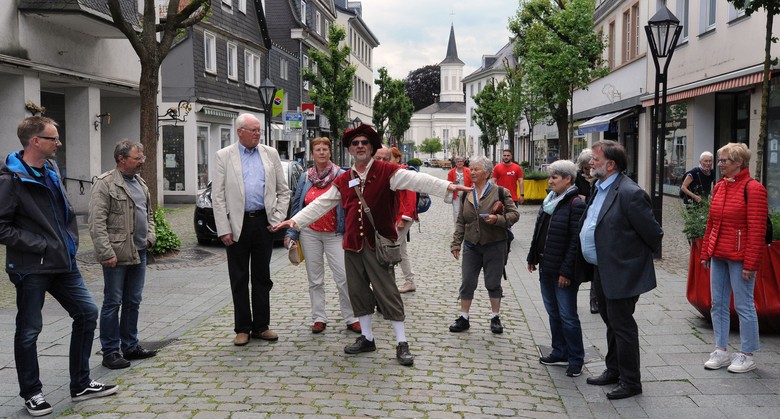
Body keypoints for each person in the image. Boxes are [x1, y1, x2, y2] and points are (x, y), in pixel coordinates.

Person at [272, 124, 471, 366]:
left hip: (379, 244)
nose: (360, 147)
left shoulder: (388, 171)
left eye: (364, 143)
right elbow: (321, 204)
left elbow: (417, 180)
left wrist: (447, 187)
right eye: (355, 144)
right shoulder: (344, 178)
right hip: (352, 244)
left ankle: (401, 342)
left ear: (372, 147)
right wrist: (295, 220)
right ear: (349, 150)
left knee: (387, 292)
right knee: (358, 291)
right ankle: (367, 338)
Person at [0, 116, 118, 416]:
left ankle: (80, 384)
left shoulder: (51, 170)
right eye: (53, 138)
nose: (59, 143)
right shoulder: (9, 179)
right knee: (29, 331)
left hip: (63, 262)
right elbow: (1, 227)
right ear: (35, 141)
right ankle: (33, 393)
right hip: (31, 267)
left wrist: (69, 241)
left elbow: (63, 212)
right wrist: (39, 244)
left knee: (87, 313)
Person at [579, 140, 663, 400]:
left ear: (610, 164)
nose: (590, 163)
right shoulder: (599, 188)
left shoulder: (630, 192)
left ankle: (631, 382)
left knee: (623, 326)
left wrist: (628, 260)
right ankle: (613, 369)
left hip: (621, 271)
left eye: (594, 159)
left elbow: (654, 234)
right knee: (610, 321)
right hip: (601, 269)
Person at [212, 113, 291, 346]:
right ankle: (242, 328)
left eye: (259, 130)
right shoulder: (224, 156)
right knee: (238, 277)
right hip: (238, 224)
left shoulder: (270, 154)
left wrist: (277, 218)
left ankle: (261, 326)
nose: (258, 134)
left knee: (262, 277)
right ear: (240, 132)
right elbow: (218, 196)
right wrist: (223, 228)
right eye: (253, 130)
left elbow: (283, 191)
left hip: (263, 223)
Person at [89, 140, 158, 370]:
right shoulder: (105, 183)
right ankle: (110, 351)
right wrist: (106, 252)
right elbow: (96, 223)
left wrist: (150, 237)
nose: (142, 162)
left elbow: (149, 215)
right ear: (121, 158)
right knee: (112, 302)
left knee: (133, 301)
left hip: (139, 251)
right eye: (137, 158)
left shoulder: (140, 183)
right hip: (116, 255)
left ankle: (130, 345)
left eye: (142, 158)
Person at [700, 143, 767, 373]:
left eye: (724, 161)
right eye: (719, 160)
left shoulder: (754, 188)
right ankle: (721, 350)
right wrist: (705, 252)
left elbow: (757, 230)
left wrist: (751, 264)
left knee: (743, 305)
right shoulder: (719, 187)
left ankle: (747, 354)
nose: (720, 164)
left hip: (740, 259)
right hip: (718, 254)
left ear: (739, 162)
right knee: (717, 304)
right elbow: (712, 222)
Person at [284, 137, 360, 334]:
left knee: (343, 277)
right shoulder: (305, 177)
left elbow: (352, 204)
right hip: (310, 233)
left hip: (335, 233)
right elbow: (297, 205)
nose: (322, 153)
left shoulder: (342, 175)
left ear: (330, 152)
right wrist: (292, 232)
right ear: (312, 153)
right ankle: (319, 318)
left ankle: (351, 317)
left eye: (325, 149)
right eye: (317, 149)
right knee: (315, 279)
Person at [527, 160, 586, 378]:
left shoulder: (575, 204)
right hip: (546, 266)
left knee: (568, 315)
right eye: (550, 176)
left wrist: (566, 272)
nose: (550, 181)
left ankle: (576, 358)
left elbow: (575, 242)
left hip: (562, 271)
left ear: (568, 179)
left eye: (554, 177)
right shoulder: (550, 200)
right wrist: (532, 256)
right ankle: (559, 351)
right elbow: (539, 231)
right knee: (553, 312)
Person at [449, 156, 519, 335]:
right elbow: (461, 221)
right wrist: (456, 242)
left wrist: (498, 219)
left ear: (487, 173)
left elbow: (514, 214)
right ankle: (464, 317)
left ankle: (495, 317)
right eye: (471, 169)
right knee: (467, 282)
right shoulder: (467, 193)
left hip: (495, 244)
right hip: (472, 245)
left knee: (493, 282)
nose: (472, 172)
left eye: (476, 169)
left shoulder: (500, 192)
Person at [389, 146, 418, 293]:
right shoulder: (392, 173)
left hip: (403, 216)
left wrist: (404, 219)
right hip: (395, 216)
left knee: (392, 248)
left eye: (390, 158)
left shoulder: (404, 174)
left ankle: (388, 281)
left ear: (398, 158)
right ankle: (409, 280)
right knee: (401, 250)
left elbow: (410, 198)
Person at [574, 148, 599, 314]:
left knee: (596, 267)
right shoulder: (577, 177)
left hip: (595, 226)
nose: (586, 171)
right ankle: (570, 298)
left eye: (588, 168)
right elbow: (575, 196)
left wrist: (586, 198)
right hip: (579, 223)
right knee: (576, 265)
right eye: (584, 168)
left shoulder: (599, 179)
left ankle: (594, 300)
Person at [447, 156, 473, 224]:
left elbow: (472, 181)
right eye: (458, 161)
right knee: (456, 212)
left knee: (467, 211)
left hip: (466, 195)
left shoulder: (468, 171)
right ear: (455, 163)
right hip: (456, 195)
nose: (459, 163)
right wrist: (453, 184)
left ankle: (465, 228)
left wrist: (470, 190)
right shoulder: (451, 172)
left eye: (461, 161)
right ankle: (457, 229)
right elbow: (448, 183)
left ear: (463, 162)